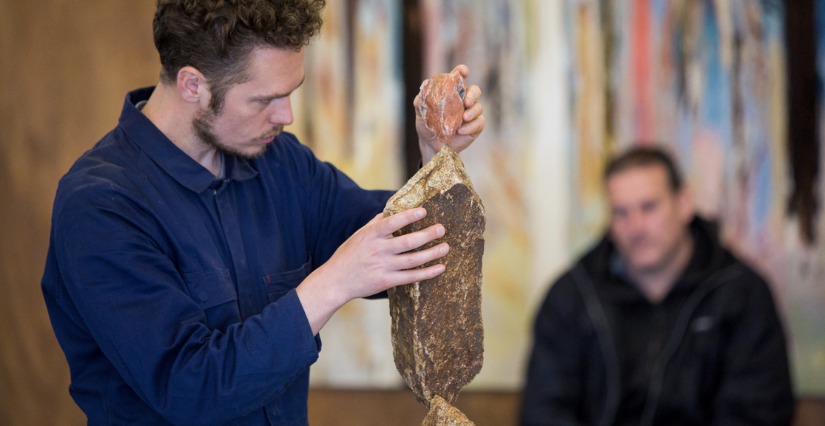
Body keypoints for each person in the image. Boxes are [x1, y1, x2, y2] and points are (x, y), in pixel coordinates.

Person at [40, 1, 485, 425]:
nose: (287, 115)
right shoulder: (100, 206)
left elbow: (402, 246)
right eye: (263, 100)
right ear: (193, 85)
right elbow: (190, 387)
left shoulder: (280, 162)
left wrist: (435, 155)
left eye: (291, 93)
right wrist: (333, 283)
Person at [520, 146, 794, 426]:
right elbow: (544, 410)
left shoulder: (741, 294)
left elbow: (758, 412)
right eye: (621, 213)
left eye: (649, 207)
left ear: (684, 203)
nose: (635, 227)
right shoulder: (572, 296)